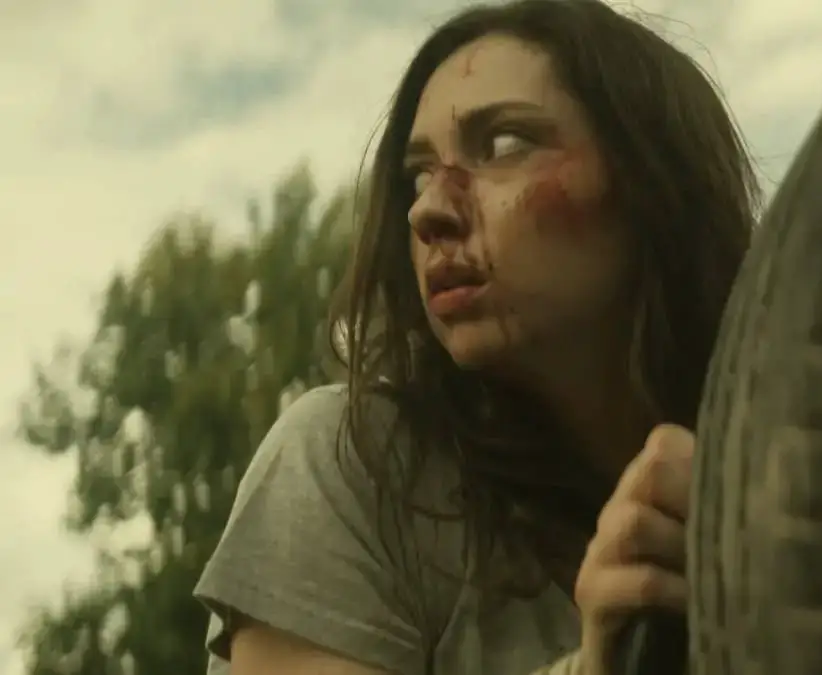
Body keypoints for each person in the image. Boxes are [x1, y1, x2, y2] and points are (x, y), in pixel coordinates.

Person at [193, 0, 759, 673]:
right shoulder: (354, 463)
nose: (429, 210)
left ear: (653, 183)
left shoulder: (783, 493)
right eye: (417, 175)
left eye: (505, 145)